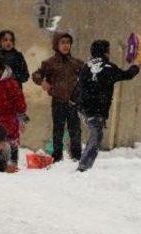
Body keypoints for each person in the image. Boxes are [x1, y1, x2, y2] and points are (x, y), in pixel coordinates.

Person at [72, 40, 140, 172]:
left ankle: (84, 164)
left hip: (84, 107)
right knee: (96, 135)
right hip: (97, 108)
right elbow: (126, 75)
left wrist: (77, 103)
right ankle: (83, 167)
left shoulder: (86, 66)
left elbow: (79, 85)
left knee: (95, 134)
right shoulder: (108, 67)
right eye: (108, 50)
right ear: (105, 51)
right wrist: (135, 66)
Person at [32, 32, 83, 162]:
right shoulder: (50, 63)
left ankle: (77, 156)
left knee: (75, 130)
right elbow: (36, 74)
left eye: (68, 42)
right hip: (58, 101)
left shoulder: (76, 63)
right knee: (58, 131)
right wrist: (42, 82)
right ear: (57, 45)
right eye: (62, 42)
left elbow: (86, 78)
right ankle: (57, 156)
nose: (66, 45)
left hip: (73, 102)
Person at [0, 54, 26, 167]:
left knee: (11, 138)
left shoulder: (10, 83)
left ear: (0, 69)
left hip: (8, 117)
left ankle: (12, 160)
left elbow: (19, 100)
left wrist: (21, 116)